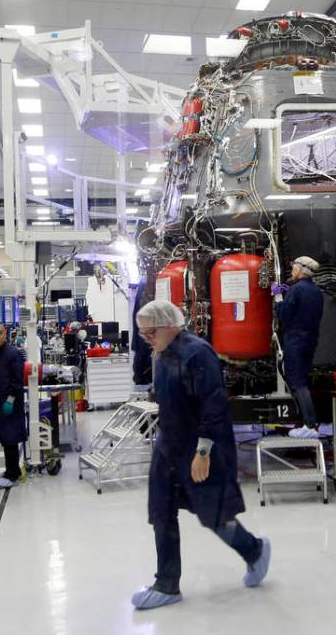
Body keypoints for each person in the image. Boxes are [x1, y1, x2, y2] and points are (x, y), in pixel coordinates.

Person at [131, 300, 270, 610]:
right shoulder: (163, 353)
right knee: (161, 512)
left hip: (201, 448)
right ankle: (166, 585)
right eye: (143, 335)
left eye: (151, 333)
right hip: (169, 448)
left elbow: (214, 405)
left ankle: (255, 551)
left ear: (171, 325)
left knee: (215, 516)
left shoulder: (198, 353)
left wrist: (203, 451)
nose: (148, 340)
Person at [272, 256, 324, 439]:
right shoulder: (316, 291)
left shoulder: (296, 290)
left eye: (294, 267)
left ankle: (309, 425)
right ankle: (306, 423)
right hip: (310, 340)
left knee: (297, 382)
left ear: (302, 270)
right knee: (302, 380)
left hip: (295, 341)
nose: (292, 270)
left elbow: (284, 315)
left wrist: (278, 298)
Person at [0, 323, 26, 489]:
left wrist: (10, 400)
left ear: (5, 333)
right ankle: (10, 470)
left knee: (11, 438)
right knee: (4, 438)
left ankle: (13, 475)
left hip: (12, 403)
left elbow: (17, 380)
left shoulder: (14, 354)